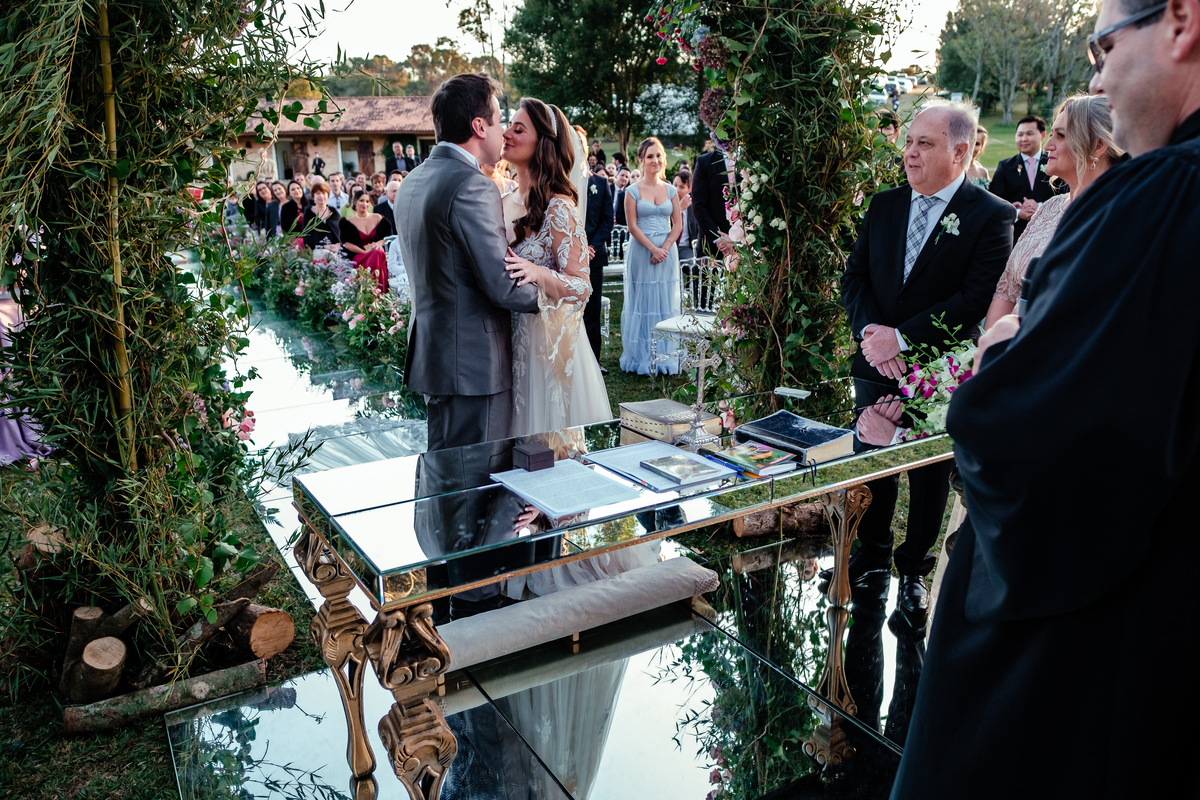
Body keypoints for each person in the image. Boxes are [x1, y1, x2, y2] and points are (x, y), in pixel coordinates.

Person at [891, 2, 1200, 797]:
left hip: (1099, 638)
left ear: (1181, 23)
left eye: (1102, 46)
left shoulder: (1166, 196)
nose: (1096, 75)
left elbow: (1041, 438)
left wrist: (995, 370)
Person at [837, 101, 1015, 624]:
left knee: (929, 469)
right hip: (875, 362)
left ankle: (914, 571)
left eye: (925, 144)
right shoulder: (885, 204)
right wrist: (874, 337)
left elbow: (977, 296)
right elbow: (856, 279)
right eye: (910, 141)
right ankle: (871, 559)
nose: (910, 153)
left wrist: (905, 341)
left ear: (961, 152)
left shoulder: (992, 214)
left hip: (938, 369)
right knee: (872, 454)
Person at [395, 73, 539, 450]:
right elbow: (502, 284)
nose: (502, 132)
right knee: (475, 480)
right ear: (479, 126)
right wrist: (559, 290)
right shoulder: (472, 185)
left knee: (445, 476)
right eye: (497, 120)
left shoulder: (412, 181)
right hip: (474, 365)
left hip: (435, 356)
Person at [499, 99, 612, 435]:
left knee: (551, 449)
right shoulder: (501, 203)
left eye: (519, 129)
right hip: (508, 343)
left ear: (543, 144)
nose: (506, 133)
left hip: (547, 349)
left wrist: (538, 274)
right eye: (509, 125)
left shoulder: (558, 207)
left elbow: (582, 284)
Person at [984, 94, 1126, 328]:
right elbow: (1007, 290)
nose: (1048, 145)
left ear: (1098, 145)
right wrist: (987, 351)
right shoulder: (1049, 208)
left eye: (1060, 136)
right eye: (1051, 134)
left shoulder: (1118, 217)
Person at [618, 136, 684, 375]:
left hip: (667, 252)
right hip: (642, 251)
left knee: (665, 300)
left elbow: (677, 224)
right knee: (643, 300)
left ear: (663, 159)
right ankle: (643, 354)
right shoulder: (632, 191)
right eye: (649, 156)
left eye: (658, 156)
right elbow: (632, 226)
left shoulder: (671, 190)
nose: (655, 160)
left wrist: (664, 248)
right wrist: (653, 249)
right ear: (641, 160)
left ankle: (667, 354)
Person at [987, 114, 1063, 240]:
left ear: (1043, 135)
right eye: (1020, 135)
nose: (1024, 139)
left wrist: (1039, 207)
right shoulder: (1005, 166)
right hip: (1016, 236)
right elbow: (994, 202)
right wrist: (1017, 213)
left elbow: (1064, 195)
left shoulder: (1055, 162)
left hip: (1050, 234)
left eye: (1029, 134)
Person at [583, 160, 614, 362]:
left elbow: (607, 220)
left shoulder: (601, 184)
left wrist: (591, 247)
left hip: (594, 257)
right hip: (565, 255)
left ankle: (594, 363)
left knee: (592, 312)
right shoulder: (560, 181)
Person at [339, 190, 389, 293]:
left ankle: (379, 294)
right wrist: (365, 252)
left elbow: (387, 237)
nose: (364, 204)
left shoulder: (378, 217)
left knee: (379, 253)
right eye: (361, 200)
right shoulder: (347, 222)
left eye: (367, 201)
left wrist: (379, 243)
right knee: (378, 253)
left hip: (377, 255)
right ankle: (375, 293)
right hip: (360, 256)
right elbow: (346, 244)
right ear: (355, 202)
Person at [691, 137, 734, 258]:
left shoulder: (750, 162)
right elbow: (698, 205)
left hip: (744, 247)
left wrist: (737, 239)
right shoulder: (705, 162)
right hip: (712, 247)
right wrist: (718, 239)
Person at [303, 183, 340, 249]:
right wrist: (322, 247)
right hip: (316, 252)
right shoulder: (308, 212)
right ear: (313, 195)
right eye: (318, 193)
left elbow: (340, 232)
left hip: (335, 250)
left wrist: (338, 245)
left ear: (328, 195)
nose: (321, 196)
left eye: (323, 193)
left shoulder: (333, 212)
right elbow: (306, 235)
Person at [672, 169, 698, 261]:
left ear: (689, 189)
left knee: (692, 263)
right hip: (668, 246)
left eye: (682, 187)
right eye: (675, 185)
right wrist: (678, 209)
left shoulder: (694, 207)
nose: (677, 190)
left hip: (685, 247)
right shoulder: (665, 202)